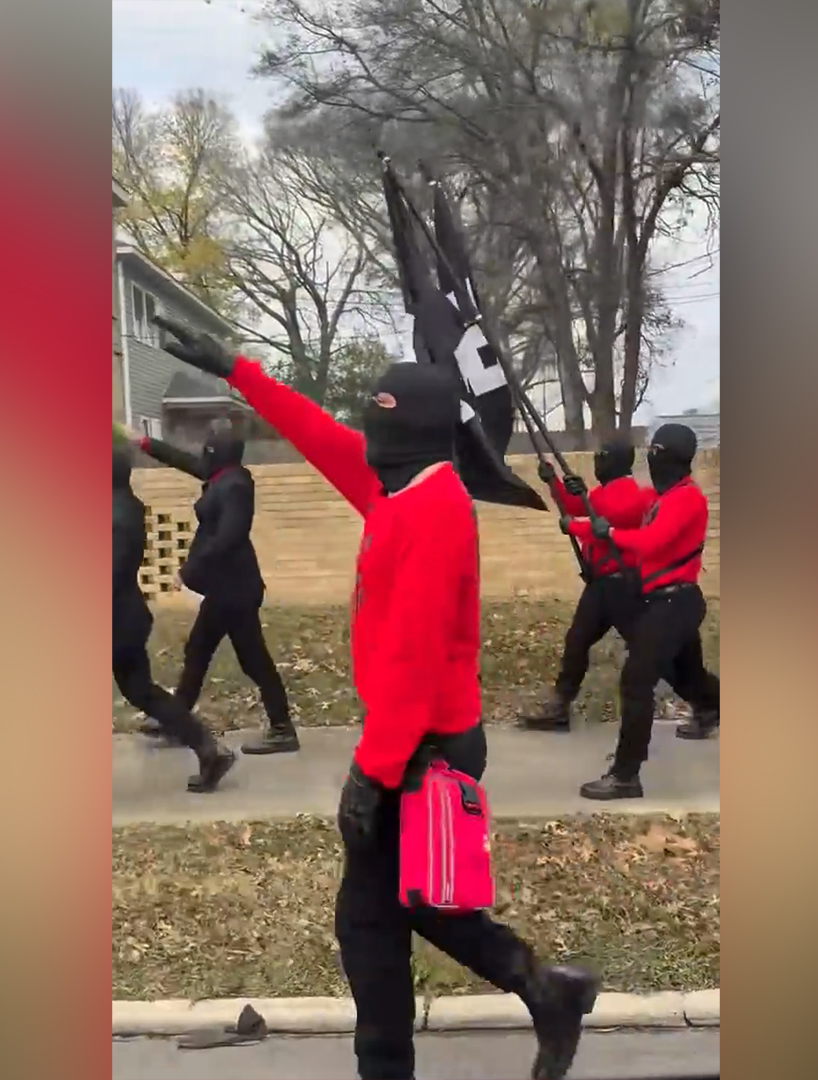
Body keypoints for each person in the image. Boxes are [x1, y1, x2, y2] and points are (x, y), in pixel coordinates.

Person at [152, 314, 600, 1080]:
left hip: (423, 744)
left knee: (368, 922)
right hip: (418, 739)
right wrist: (239, 370)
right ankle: (541, 988)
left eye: (378, 423)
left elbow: (414, 659)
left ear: (411, 436)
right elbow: (322, 437)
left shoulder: (435, 511)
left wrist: (375, 770)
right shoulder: (400, 487)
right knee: (410, 906)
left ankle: (406, 1056)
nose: (364, 438)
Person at [564, 424, 721, 800]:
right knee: (688, 678)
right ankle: (713, 708)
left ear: (677, 459)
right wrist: (576, 502)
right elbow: (611, 511)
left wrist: (606, 534)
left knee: (637, 680)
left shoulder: (687, 499)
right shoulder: (656, 498)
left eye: (658, 453)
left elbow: (649, 543)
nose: (651, 460)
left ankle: (625, 774)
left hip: (676, 602)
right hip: (662, 601)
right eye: (650, 452)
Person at [128, 420, 299, 755]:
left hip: (235, 590)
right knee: (200, 651)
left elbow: (229, 537)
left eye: (209, 444)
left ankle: (282, 729)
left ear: (218, 450)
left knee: (250, 660)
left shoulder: (235, 485)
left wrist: (190, 569)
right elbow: (184, 460)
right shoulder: (222, 476)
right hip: (227, 588)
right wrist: (145, 442)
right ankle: (179, 722)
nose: (204, 448)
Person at [112, 433, 236, 793]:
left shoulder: (116, 516)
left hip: (114, 620)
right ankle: (208, 750)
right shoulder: (125, 506)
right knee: (142, 692)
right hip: (127, 618)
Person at [520, 439, 654, 731]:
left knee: (649, 647)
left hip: (623, 585)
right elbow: (576, 507)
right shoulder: (602, 492)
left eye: (602, 458)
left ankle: (702, 698)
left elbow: (604, 522)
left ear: (619, 462)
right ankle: (560, 705)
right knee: (577, 641)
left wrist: (575, 520)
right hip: (600, 586)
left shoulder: (637, 494)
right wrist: (553, 480)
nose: (597, 464)